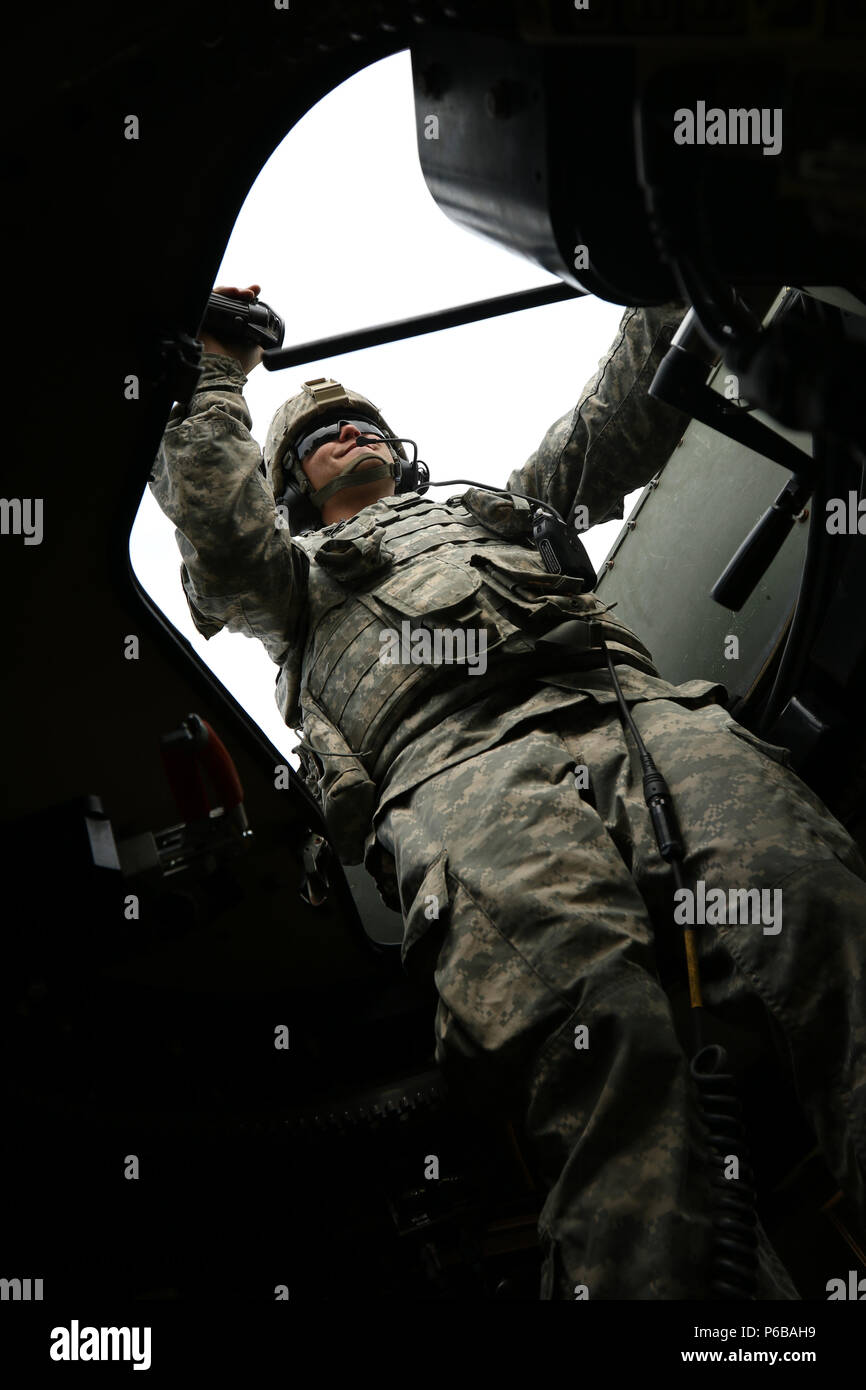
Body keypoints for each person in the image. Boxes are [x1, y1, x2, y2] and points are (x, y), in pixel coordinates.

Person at [150, 284, 866, 1300]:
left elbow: (615, 423)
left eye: (362, 417)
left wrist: (665, 278)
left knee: (821, 907)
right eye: (317, 435)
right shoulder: (293, 578)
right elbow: (219, 535)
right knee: (603, 1038)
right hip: (455, 773)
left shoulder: (499, 510)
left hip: (628, 709)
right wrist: (219, 366)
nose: (348, 428)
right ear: (295, 488)